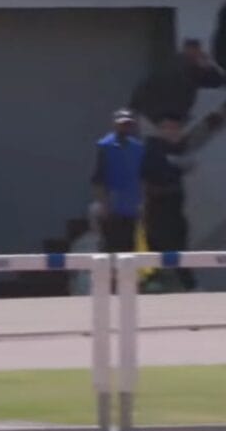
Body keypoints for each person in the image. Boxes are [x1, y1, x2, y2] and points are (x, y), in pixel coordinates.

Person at [141, 100, 226, 291]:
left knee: (176, 249)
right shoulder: (152, 148)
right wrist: (178, 164)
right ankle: (186, 286)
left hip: (174, 210)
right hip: (158, 211)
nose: (174, 132)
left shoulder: (175, 146)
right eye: (169, 128)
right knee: (167, 253)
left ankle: (180, 285)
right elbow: (160, 170)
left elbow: (199, 134)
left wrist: (220, 114)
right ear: (160, 129)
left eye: (177, 128)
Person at [90, 109, 144, 253]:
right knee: (110, 247)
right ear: (115, 124)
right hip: (111, 206)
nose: (125, 127)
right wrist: (103, 203)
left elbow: (141, 176)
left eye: (128, 124)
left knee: (129, 247)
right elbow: (98, 177)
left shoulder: (138, 148)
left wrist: (142, 203)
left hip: (131, 206)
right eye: (121, 124)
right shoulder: (105, 146)